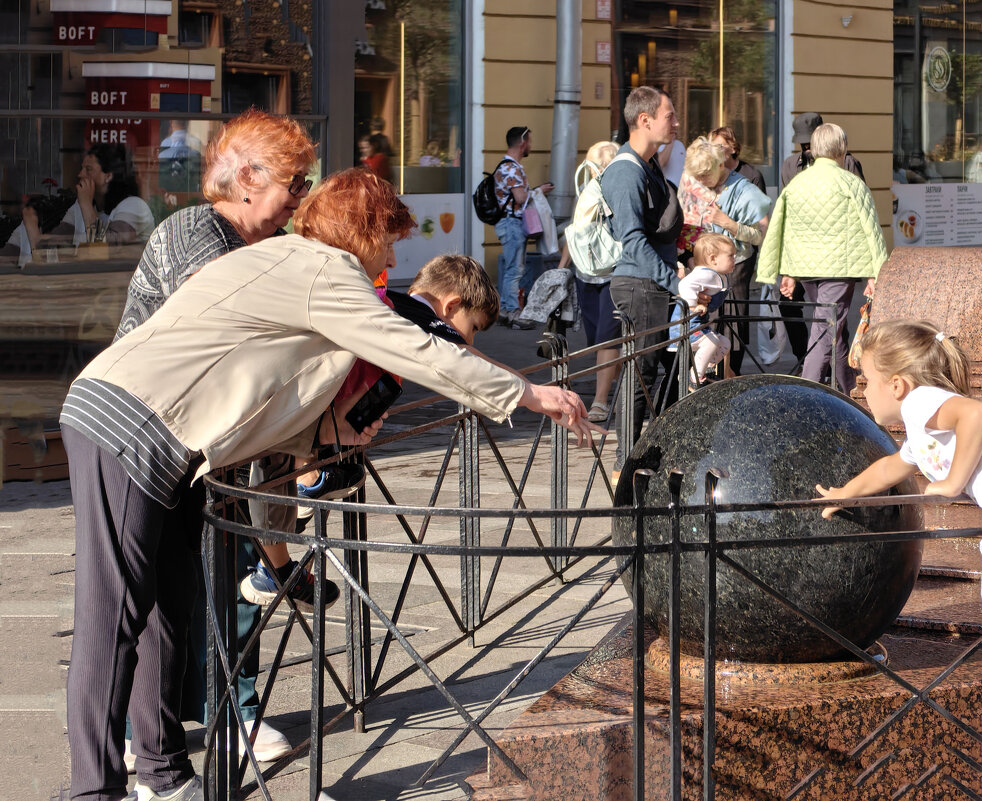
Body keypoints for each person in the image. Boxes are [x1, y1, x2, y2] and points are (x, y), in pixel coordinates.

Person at [59, 166, 598, 801]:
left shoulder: (283, 258)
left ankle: (163, 773)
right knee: (115, 617)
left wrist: (326, 440)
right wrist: (526, 393)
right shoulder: (325, 271)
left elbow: (262, 383)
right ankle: (94, 790)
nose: (394, 256)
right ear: (361, 232)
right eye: (389, 240)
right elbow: (417, 349)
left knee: (169, 614)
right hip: (131, 424)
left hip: (157, 430)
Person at [109, 109, 320, 774]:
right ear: (251, 179)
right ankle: (132, 744)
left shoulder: (262, 245)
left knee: (216, 582)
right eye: (296, 181)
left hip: (210, 450)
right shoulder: (192, 233)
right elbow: (236, 329)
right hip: (140, 444)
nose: (302, 196)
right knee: (145, 604)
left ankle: (227, 715)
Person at [816, 319, 982, 801]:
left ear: (898, 383)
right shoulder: (920, 424)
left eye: (865, 380)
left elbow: (975, 412)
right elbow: (895, 465)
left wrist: (952, 483)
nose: (859, 389)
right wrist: (847, 492)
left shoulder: (921, 402)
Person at [294, 253, 500, 509]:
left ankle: (307, 477)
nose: (470, 339)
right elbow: (463, 355)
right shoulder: (420, 317)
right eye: (474, 328)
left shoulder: (395, 302)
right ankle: (305, 478)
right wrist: (529, 390)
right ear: (452, 306)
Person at [756, 122, 886, 394]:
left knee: (831, 331)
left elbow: (783, 227)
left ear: (813, 150)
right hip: (840, 268)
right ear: (843, 149)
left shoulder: (797, 184)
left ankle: (850, 392)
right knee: (826, 333)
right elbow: (871, 229)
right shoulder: (851, 182)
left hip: (807, 268)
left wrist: (784, 271)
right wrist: (878, 272)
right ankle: (808, 397)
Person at [600, 86, 684, 479]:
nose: (676, 122)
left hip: (653, 282)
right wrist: (673, 280)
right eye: (670, 115)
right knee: (641, 375)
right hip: (639, 284)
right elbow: (632, 239)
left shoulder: (647, 165)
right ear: (645, 120)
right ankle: (624, 463)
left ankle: (647, 453)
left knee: (654, 371)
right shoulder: (624, 171)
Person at [778, 113, 867, 370]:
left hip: (837, 256)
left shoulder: (848, 163)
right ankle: (810, 363)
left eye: (810, 143)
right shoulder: (789, 166)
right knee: (817, 319)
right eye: (802, 144)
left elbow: (860, 212)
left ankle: (830, 379)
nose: (806, 149)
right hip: (803, 257)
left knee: (830, 323)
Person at [676, 136, 771, 376]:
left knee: (730, 329)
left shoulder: (743, 189)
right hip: (696, 264)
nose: (700, 182)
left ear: (721, 165)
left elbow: (761, 235)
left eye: (705, 176)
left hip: (732, 268)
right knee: (698, 326)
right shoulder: (692, 181)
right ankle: (698, 379)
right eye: (696, 177)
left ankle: (727, 382)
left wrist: (727, 223)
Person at [557, 140, 622, 423]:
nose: (594, 170)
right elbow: (575, 234)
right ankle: (621, 392)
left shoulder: (620, 191)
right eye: (594, 163)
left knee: (608, 339)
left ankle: (600, 400)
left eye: (600, 164)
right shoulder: (586, 192)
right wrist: (562, 270)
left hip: (614, 274)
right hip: (587, 275)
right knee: (599, 340)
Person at [493, 126, 553, 327]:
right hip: (512, 224)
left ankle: (504, 310)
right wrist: (538, 191)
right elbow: (520, 197)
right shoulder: (511, 168)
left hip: (509, 223)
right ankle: (513, 312)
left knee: (513, 267)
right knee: (514, 269)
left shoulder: (508, 166)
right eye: (530, 141)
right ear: (522, 143)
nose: (531, 146)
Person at [49, 143, 155, 247]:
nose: (80, 174)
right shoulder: (80, 206)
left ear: (108, 176)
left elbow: (107, 248)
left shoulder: (134, 206)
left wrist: (86, 205)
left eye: (88, 169)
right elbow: (56, 241)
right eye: (82, 168)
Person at [669, 233, 733, 385]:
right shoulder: (707, 274)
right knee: (711, 343)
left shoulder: (717, 274)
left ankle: (706, 369)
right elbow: (685, 284)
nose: (734, 260)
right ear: (713, 259)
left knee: (724, 343)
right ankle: (693, 378)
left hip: (699, 324)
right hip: (686, 325)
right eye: (730, 256)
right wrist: (692, 305)